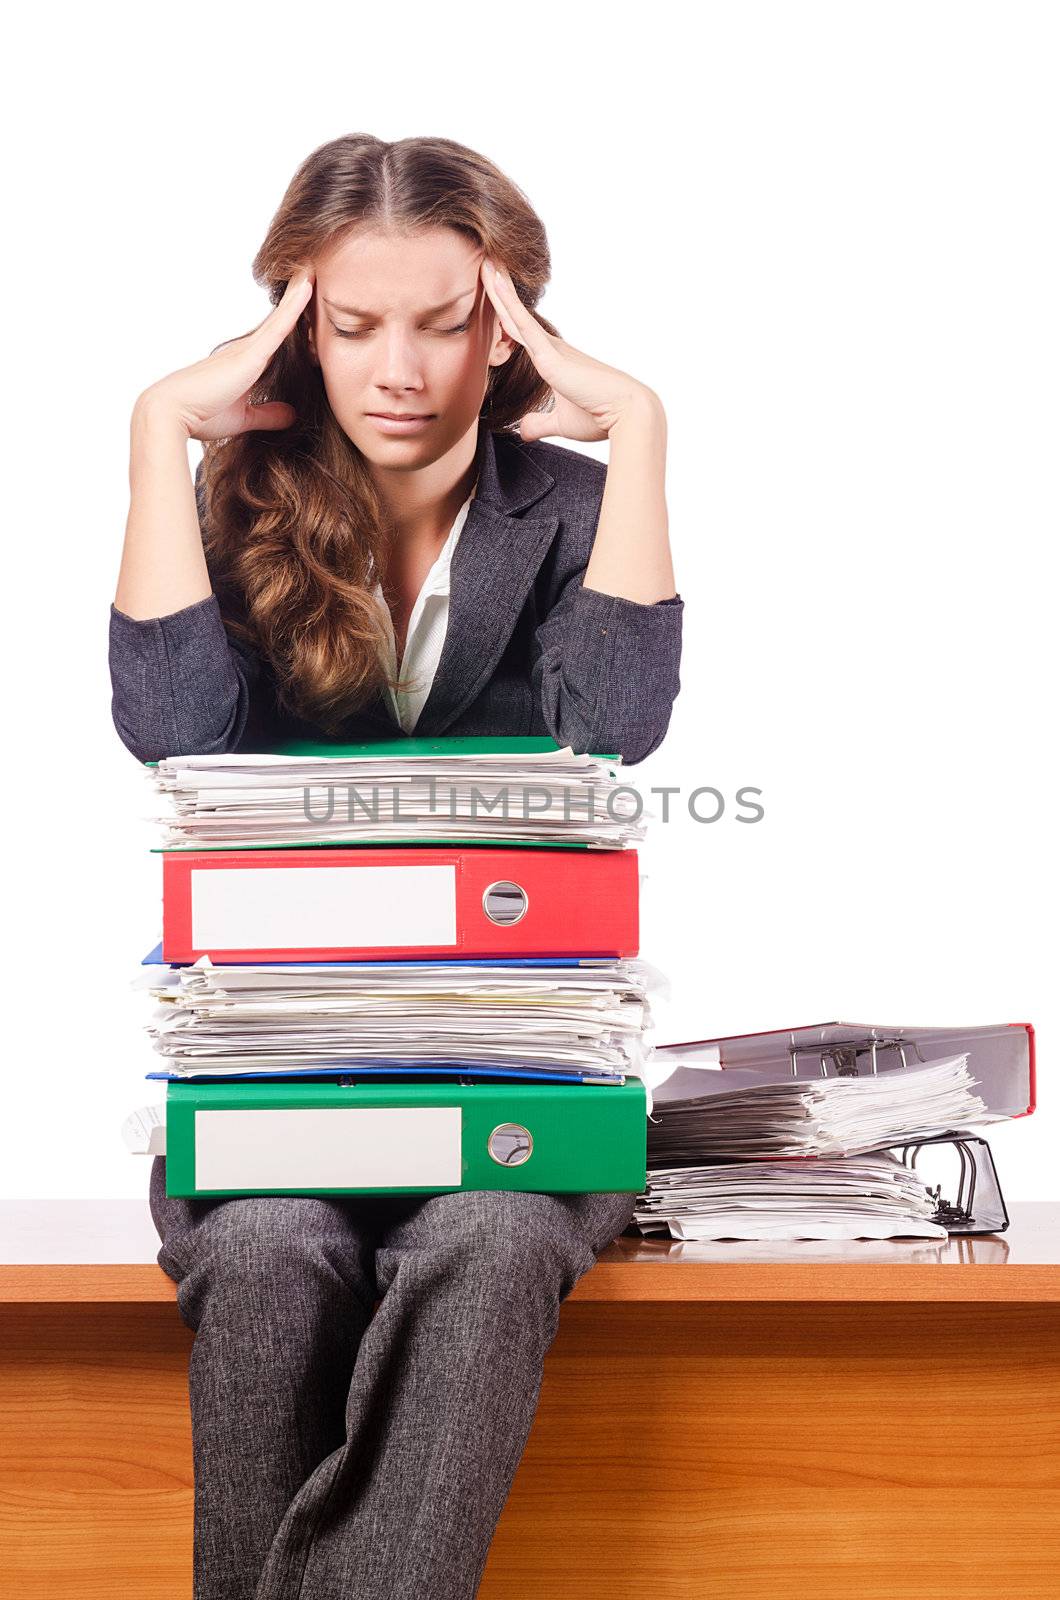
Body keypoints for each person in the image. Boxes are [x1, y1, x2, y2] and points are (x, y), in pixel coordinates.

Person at [109, 133, 684, 1600]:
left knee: (491, 1239)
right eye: (354, 325)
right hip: (278, 1094)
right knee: (268, 1253)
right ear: (293, 325)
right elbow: (174, 735)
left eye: (445, 322)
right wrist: (156, 429)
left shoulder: (564, 508)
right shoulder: (239, 498)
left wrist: (645, 440)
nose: (401, 370)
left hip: (514, 1091)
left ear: (509, 327)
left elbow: (611, 730)